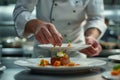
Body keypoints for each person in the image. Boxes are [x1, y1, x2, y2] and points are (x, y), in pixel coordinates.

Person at [13, 0, 107, 57]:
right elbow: (21, 10)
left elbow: (96, 18)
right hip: (43, 52)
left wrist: (91, 36)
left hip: (76, 51)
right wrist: (36, 25)